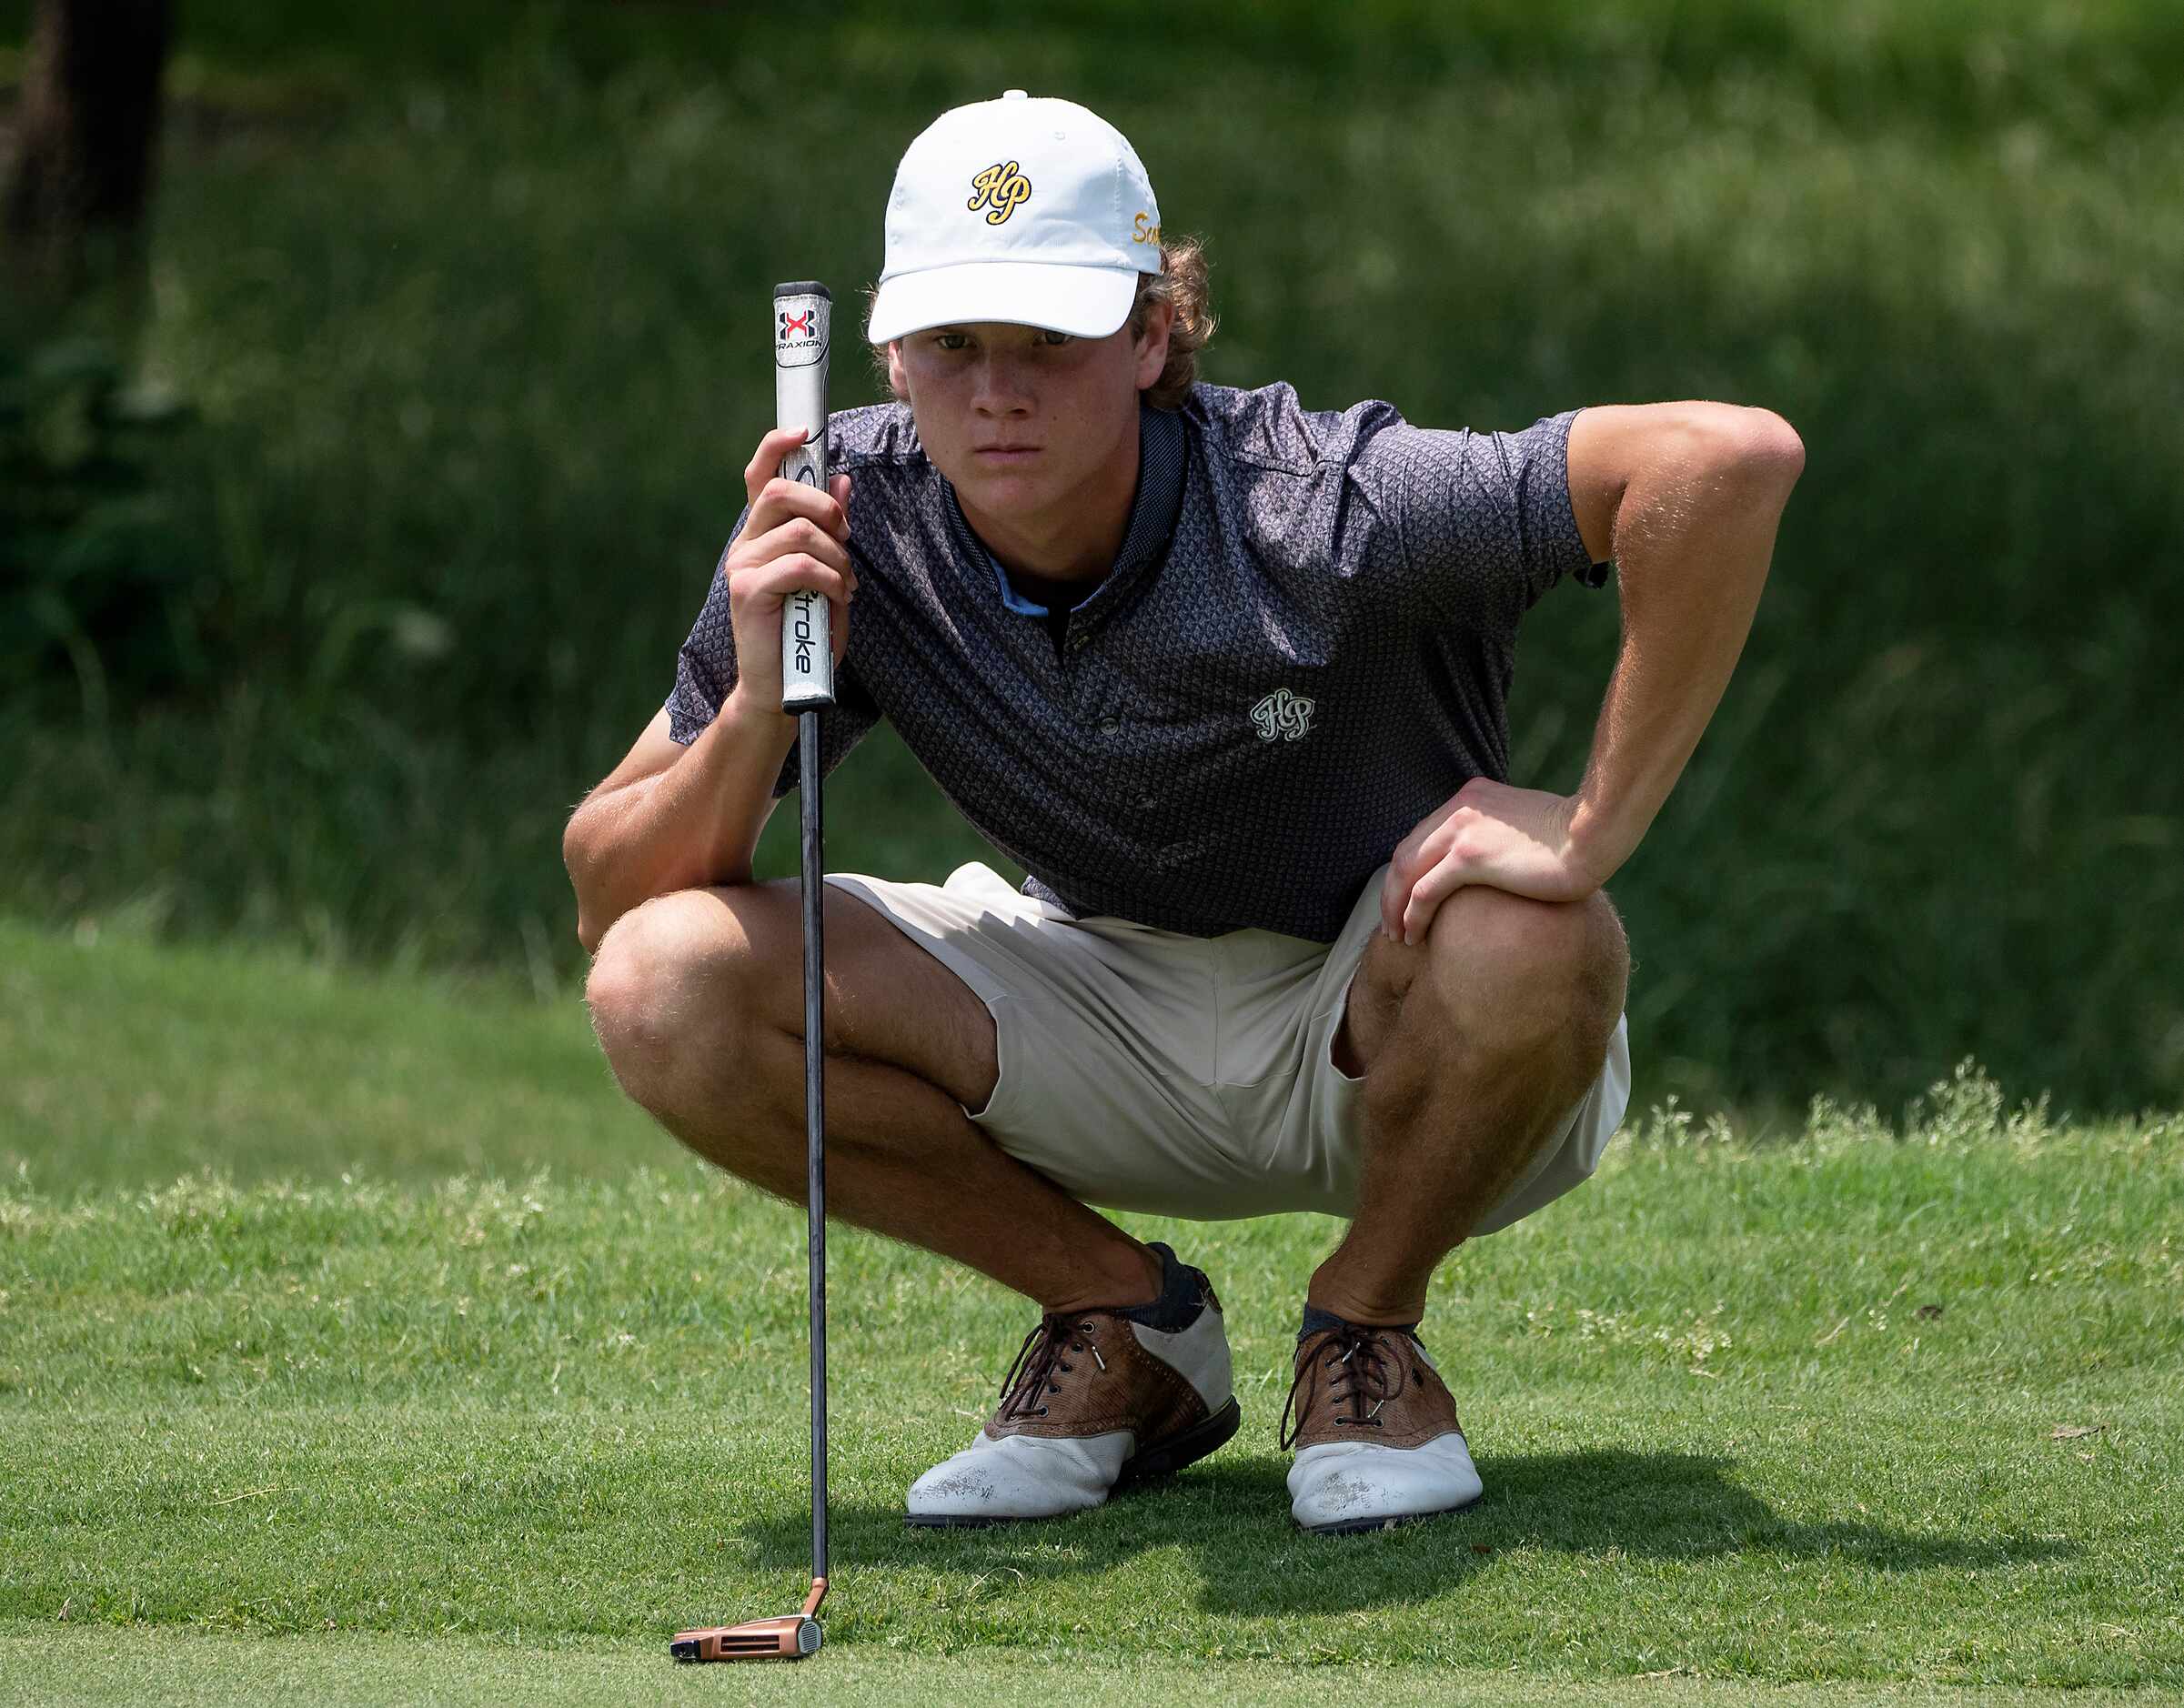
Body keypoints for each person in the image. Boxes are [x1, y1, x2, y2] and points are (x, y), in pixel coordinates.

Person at [564, 91, 1802, 1534]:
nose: (995, 391)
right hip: (1089, 996)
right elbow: (613, 889)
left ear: (1152, 337)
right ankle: (1121, 1323)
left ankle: (1363, 1329)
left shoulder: (1324, 503)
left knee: (1542, 931)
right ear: (893, 353)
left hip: (1384, 1016)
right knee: (660, 984)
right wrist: (767, 703)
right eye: (953, 345)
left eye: (1049, 341)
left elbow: (1723, 461)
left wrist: (1594, 821)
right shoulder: (844, 512)